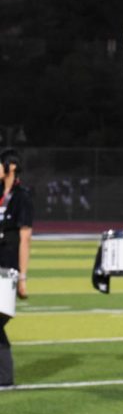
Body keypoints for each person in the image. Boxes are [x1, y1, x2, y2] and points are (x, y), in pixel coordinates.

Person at [0, 148, 33, 387]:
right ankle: (5, 378)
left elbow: (25, 239)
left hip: (7, 271)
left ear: (10, 167)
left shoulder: (23, 197)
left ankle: (6, 378)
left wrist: (22, 278)